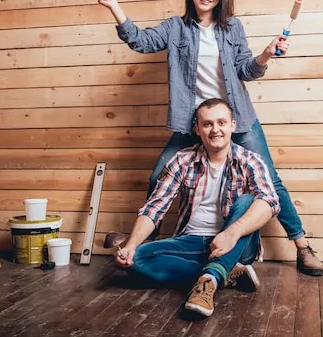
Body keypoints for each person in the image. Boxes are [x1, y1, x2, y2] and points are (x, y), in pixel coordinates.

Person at [98, 0, 322, 276]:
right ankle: (146, 242)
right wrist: (115, 7)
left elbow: (247, 69)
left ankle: (302, 246)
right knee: (159, 176)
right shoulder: (176, 27)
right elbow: (141, 41)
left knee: (270, 181)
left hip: (235, 119)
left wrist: (266, 54)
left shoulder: (232, 28)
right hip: (193, 122)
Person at [114, 98, 280, 317]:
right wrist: (131, 245)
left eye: (221, 122)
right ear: (197, 129)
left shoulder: (250, 160)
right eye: (208, 124)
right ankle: (224, 272)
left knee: (249, 201)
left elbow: (270, 201)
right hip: (191, 241)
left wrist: (231, 234)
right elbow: (155, 208)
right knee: (135, 260)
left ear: (232, 125)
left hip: (236, 243)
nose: (215, 130)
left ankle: (210, 279)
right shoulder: (182, 160)